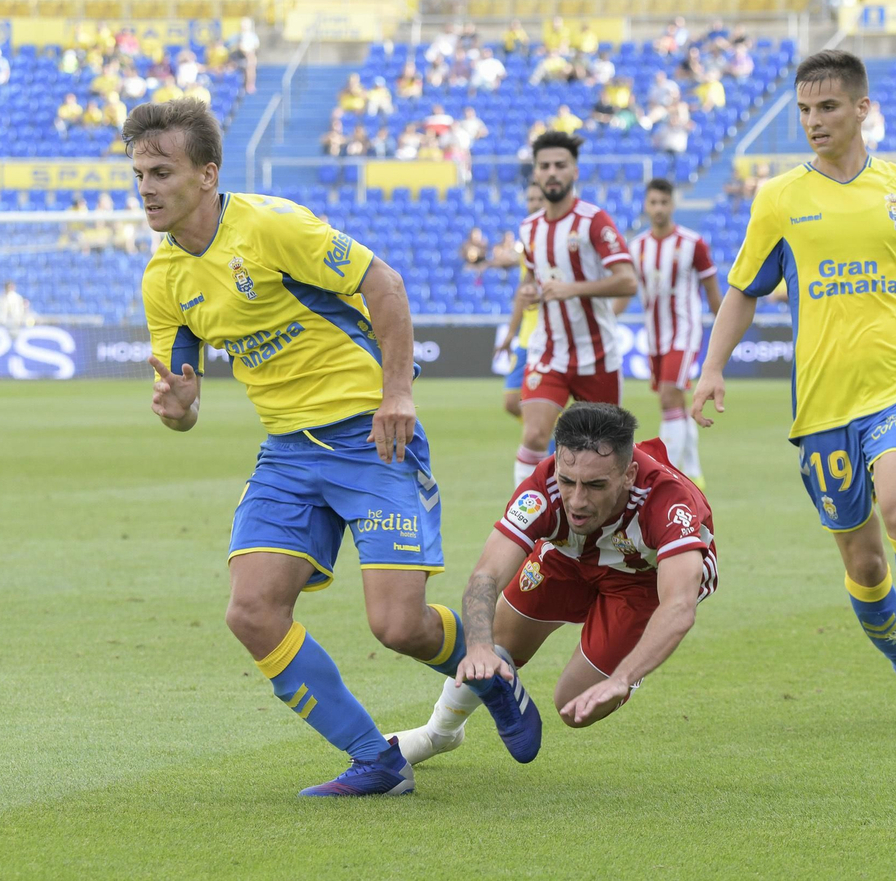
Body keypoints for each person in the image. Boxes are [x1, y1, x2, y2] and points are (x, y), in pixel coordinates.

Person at [131, 99, 531, 797]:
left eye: (162, 171)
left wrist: (397, 392)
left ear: (207, 173)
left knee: (397, 624)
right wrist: (179, 408)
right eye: (139, 174)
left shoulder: (272, 226)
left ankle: (489, 665)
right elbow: (183, 400)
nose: (147, 188)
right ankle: (377, 758)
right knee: (250, 610)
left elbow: (385, 285)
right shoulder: (163, 279)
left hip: (369, 435)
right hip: (287, 452)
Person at [691, 50, 896, 727]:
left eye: (827, 107)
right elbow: (743, 292)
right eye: (804, 110)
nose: (813, 121)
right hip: (822, 409)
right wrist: (712, 365)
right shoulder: (778, 198)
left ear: (862, 108)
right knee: (864, 563)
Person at [390, 403, 717, 764]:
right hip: (568, 557)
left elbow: (678, 605)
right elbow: (487, 574)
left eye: (595, 485)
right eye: (567, 481)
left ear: (628, 474)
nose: (577, 500)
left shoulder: (668, 502)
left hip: (640, 580)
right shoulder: (542, 487)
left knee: (575, 706)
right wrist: (479, 647)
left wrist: (623, 677)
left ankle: (625, 670)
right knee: (497, 643)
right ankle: (440, 733)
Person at [499, 132, 638, 486]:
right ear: (536, 172)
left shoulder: (594, 220)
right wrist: (530, 293)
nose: (552, 173)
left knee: (606, 450)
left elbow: (628, 281)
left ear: (574, 171)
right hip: (549, 350)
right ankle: (527, 527)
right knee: (533, 436)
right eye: (544, 166)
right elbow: (532, 279)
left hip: (597, 353)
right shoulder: (529, 229)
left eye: (560, 165)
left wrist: (573, 289)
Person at [617, 178, 723, 485]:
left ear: (672, 205)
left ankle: (667, 474)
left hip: (684, 333)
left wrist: (725, 333)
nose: (659, 208)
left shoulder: (693, 244)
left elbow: (713, 293)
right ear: (646, 205)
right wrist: (607, 317)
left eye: (664, 202)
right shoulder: (637, 247)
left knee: (668, 397)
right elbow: (626, 293)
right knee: (675, 400)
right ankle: (693, 471)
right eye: (653, 202)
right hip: (655, 337)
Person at [501, 181, 547, 419]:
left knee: (542, 405)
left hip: (551, 335)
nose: (535, 204)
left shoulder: (558, 238)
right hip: (528, 335)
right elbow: (523, 289)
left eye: (540, 199)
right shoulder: (527, 239)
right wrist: (511, 332)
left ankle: (550, 448)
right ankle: (551, 442)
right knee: (511, 401)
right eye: (530, 199)